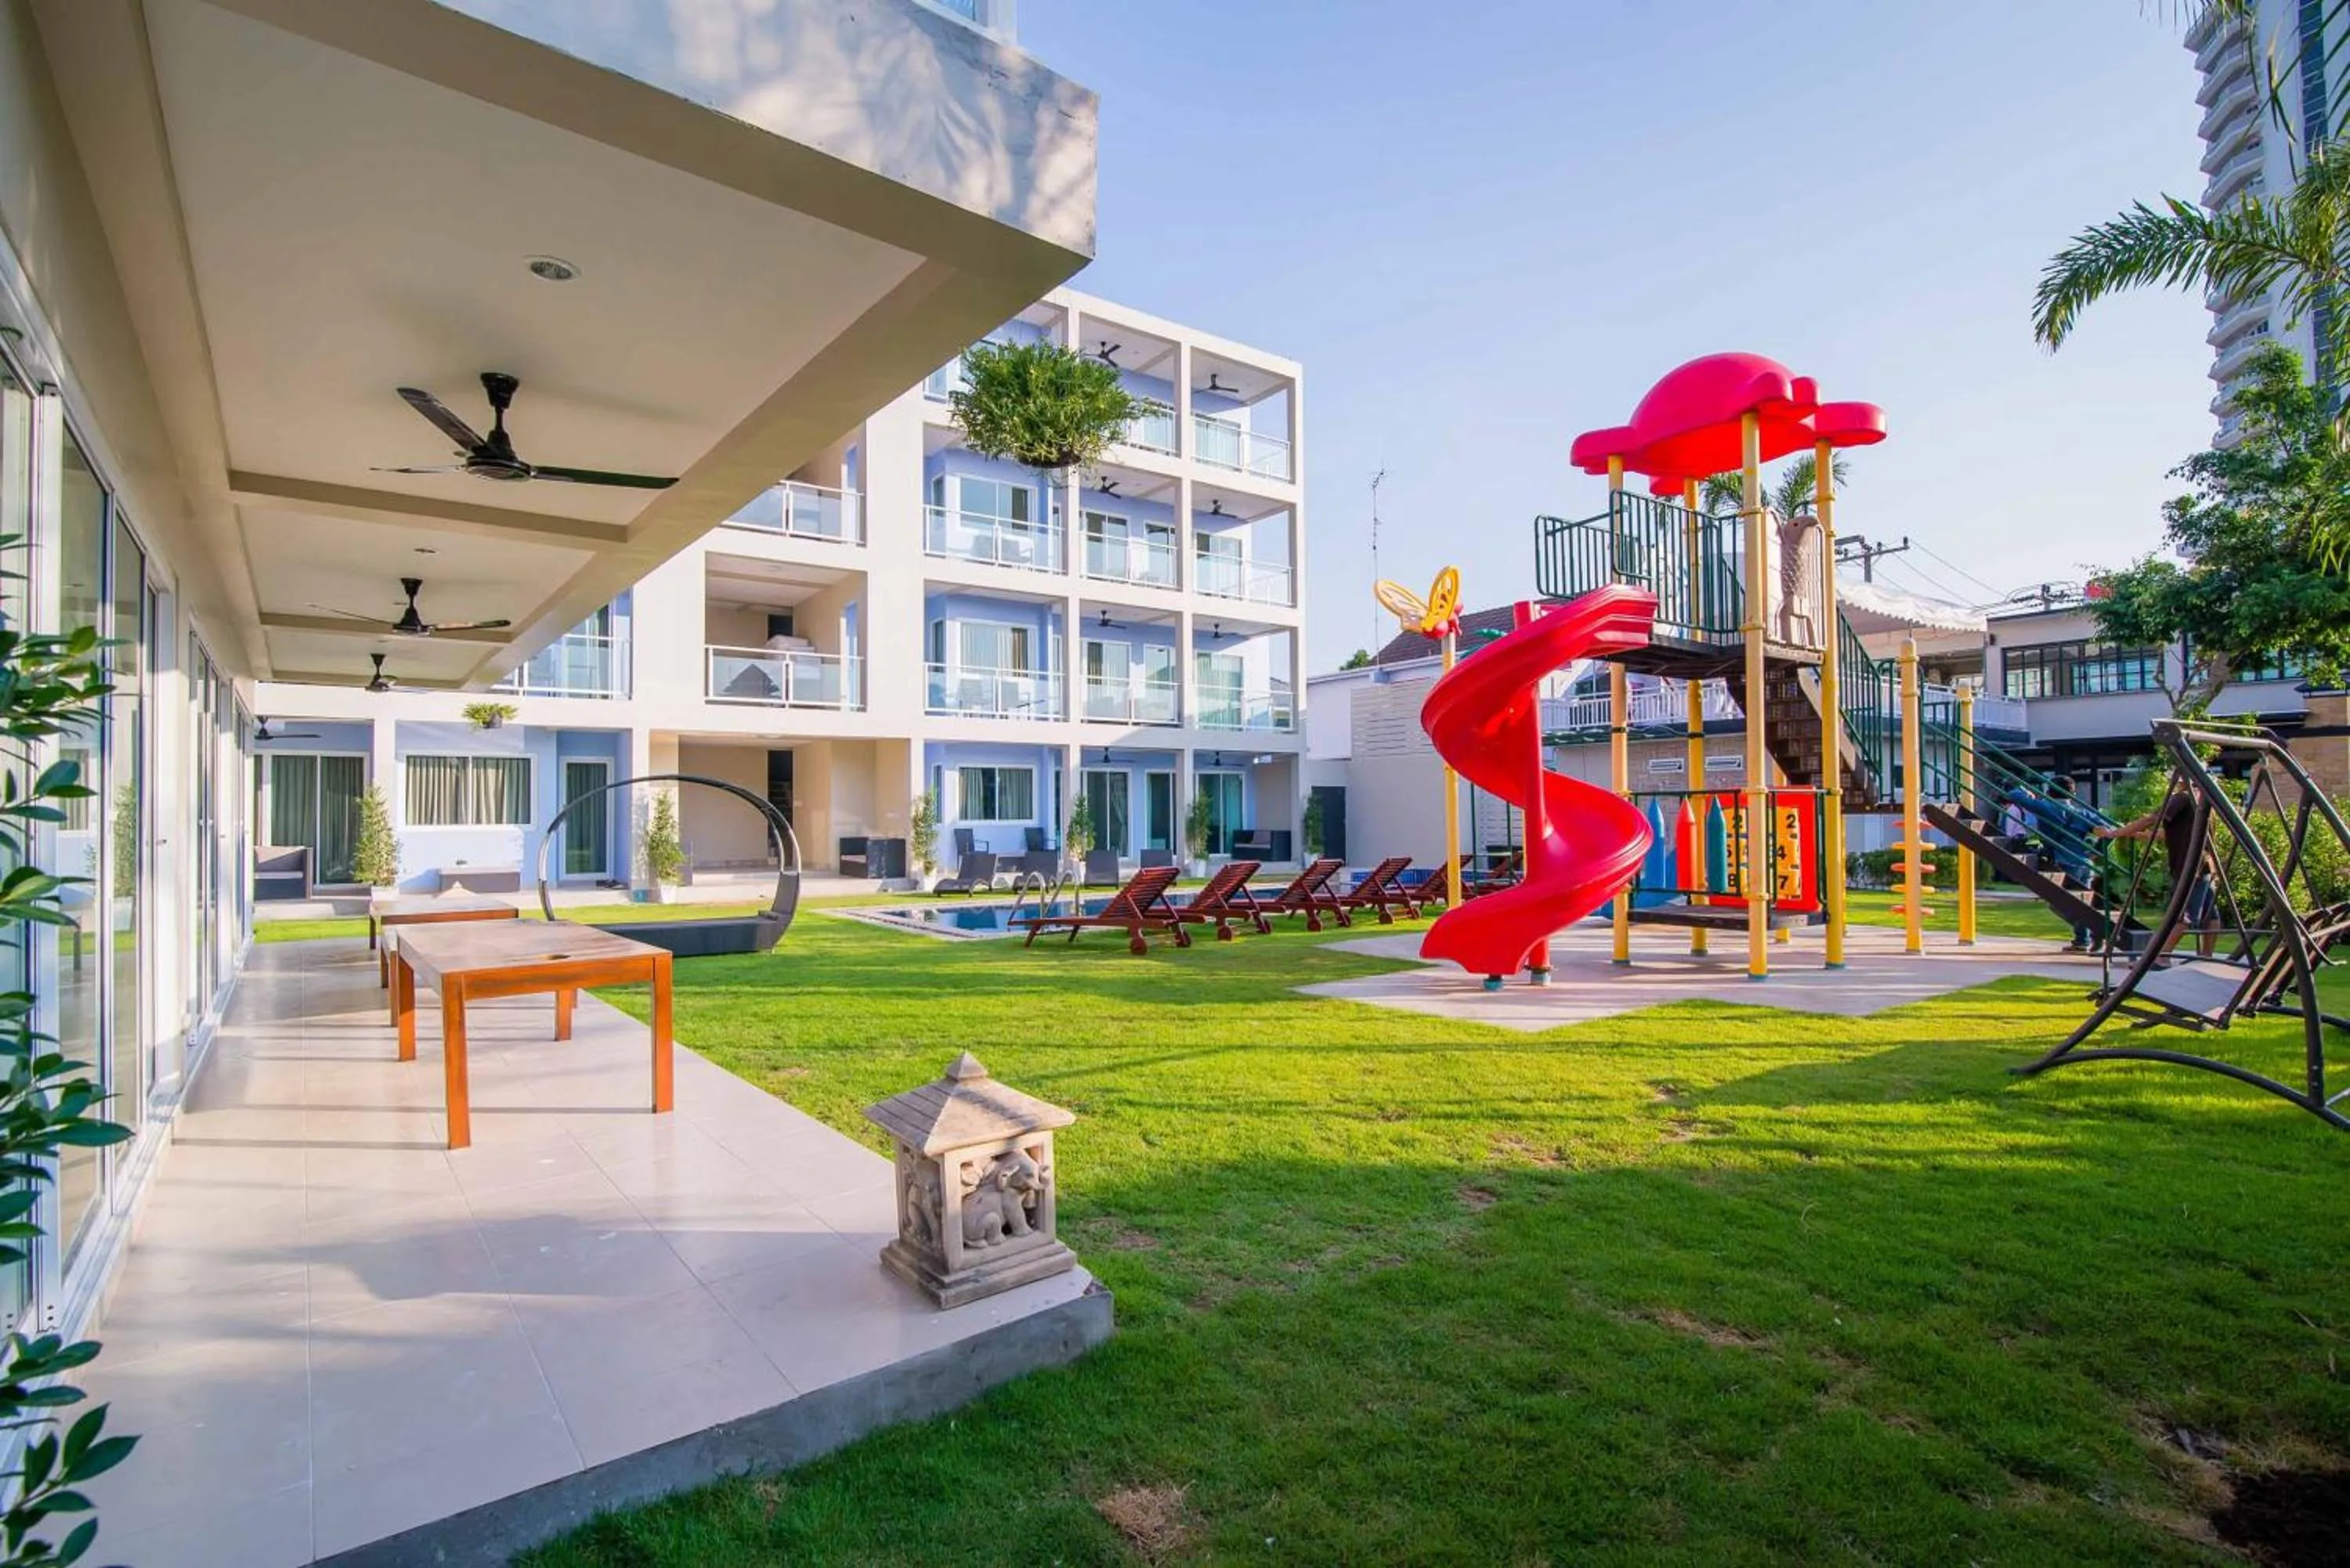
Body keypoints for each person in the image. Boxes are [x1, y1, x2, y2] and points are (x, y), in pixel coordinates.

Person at [2095, 789, 2218, 959]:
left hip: (2189, 865)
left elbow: (2152, 819)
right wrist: (2140, 835)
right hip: (2206, 863)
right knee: (2210, 913)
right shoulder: (2203, 800)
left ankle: (2161, 956)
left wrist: (2113, 833)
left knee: (2184, 914)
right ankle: (2207, 955)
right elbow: (2173, 833)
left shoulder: (2182, 798)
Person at [2034, 775, 2103, 952]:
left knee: (2058, 904)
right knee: (2081, 904)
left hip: (2064, 861)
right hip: (2085, 863)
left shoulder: (2046, 807)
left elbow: (2015, 796)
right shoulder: (2083, 813)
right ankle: (2083, 939)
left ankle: (2092, 931)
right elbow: (2111, 829)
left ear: (2049, 791)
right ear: (2073, 793)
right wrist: (2097, 851)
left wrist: (2024, 790)